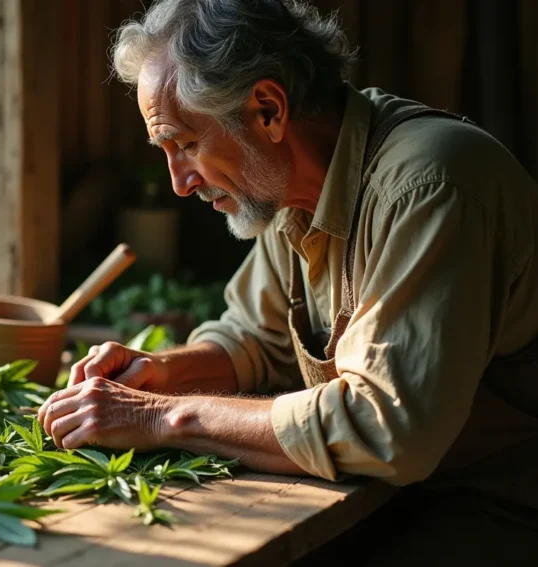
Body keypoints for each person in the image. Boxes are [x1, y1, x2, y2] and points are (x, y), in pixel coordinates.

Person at [38, 0, 538, 561]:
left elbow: (386, 428)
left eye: (187, 144)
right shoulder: (291, 191)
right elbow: (256, 339)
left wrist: (160, 417)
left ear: (269, 110)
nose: (180, 183)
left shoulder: (430, 186)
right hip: (407, 499)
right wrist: (159, 374)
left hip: (502, 509)